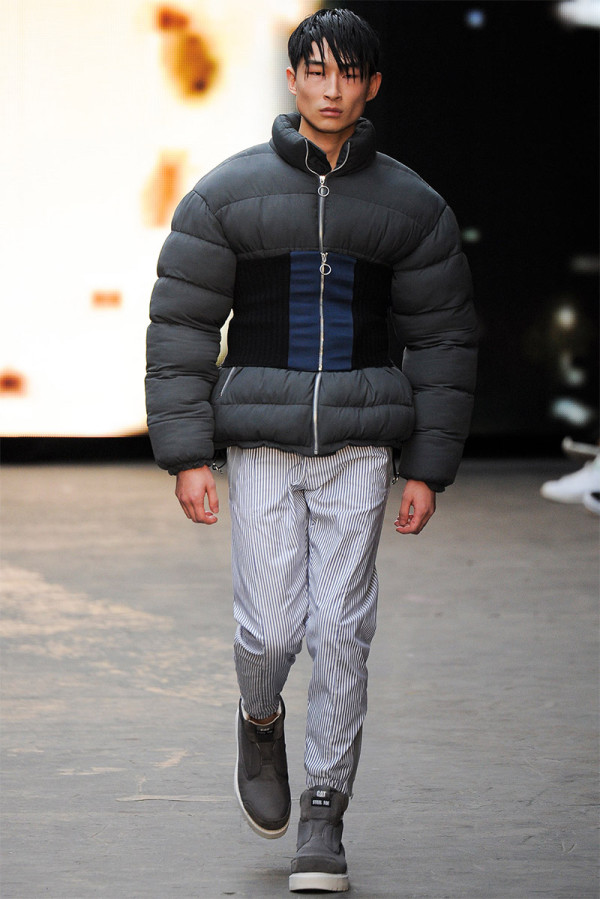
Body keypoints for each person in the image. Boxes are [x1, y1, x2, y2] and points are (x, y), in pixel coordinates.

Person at [145, 8, 478, 892]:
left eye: (349, 74)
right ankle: (260, 716)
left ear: (373, 86)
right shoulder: (225, 195)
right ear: (292, 80)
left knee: (342, 630)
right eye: (316, 71)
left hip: (362, 446)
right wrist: (187, 453)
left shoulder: (411, 205)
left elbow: (442, 337)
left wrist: (428, 467)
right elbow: (182, 324)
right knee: (269, 630)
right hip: (262, 442)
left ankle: (324, 811)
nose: (332, 90)